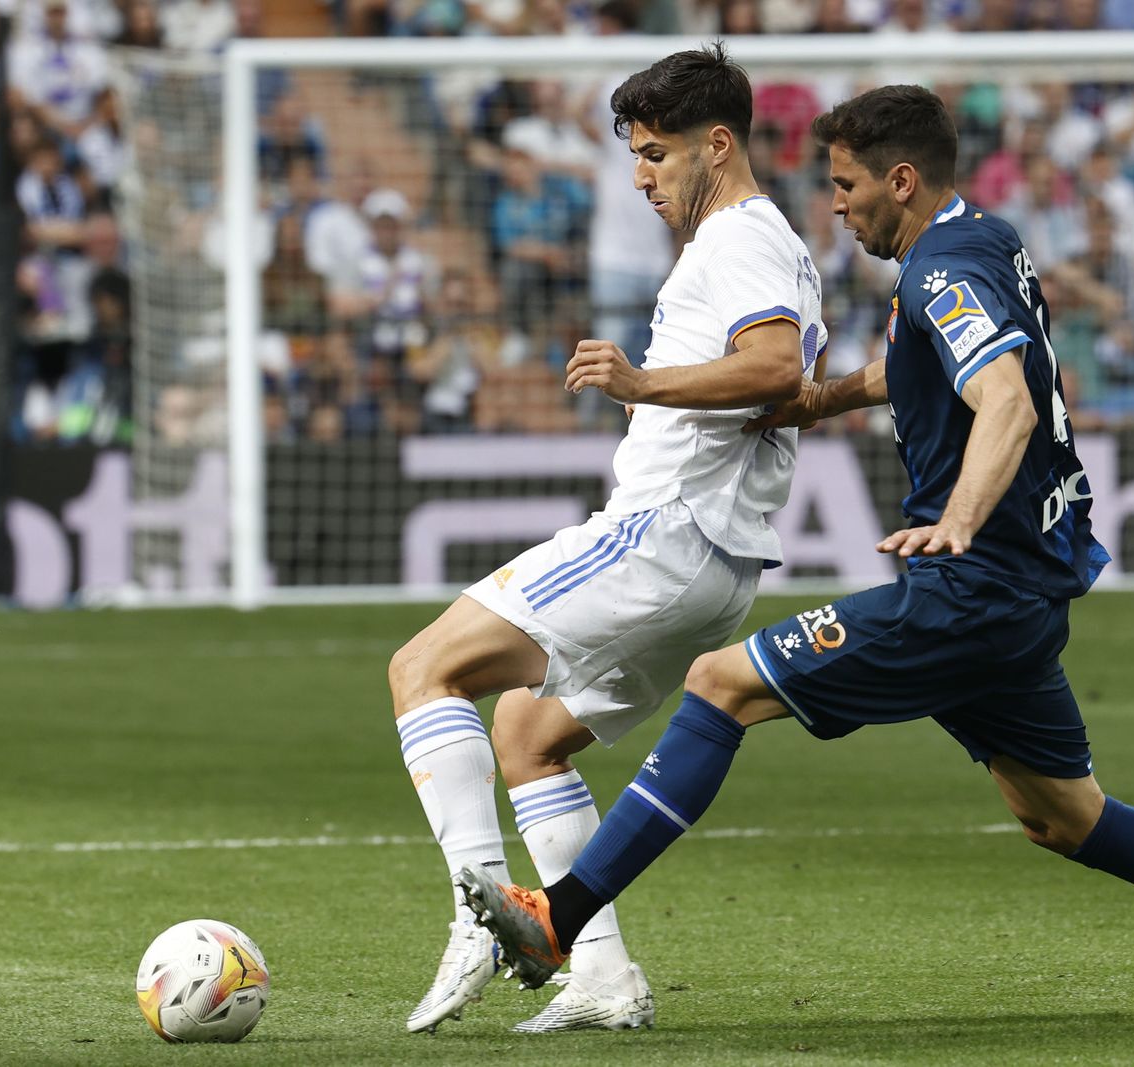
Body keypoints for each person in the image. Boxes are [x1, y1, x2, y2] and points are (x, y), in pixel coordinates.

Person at [462, 85, 1134, 1031]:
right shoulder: (989, 241)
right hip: (1019, 597)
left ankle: (558, 919)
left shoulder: (938, 275)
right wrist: (824, 400)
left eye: (848, 184)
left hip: (969, 589)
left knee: (719, 683)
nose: (837, 205)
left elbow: (1010, 400)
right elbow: (921, 358)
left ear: (901, 180)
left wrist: (961, 519)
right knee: (1066, 817)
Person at [388, 45, 827, 1036]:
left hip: (663, 532)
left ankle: (477, 909)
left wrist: (641, 383)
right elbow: (789, 385)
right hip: (716, 564)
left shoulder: (739, 243)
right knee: (527, 734)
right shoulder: (770, 243)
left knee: (422, 667)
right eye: (635, 156)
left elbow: (769, 363)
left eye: (656, 155)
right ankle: (602, 975)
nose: (640, 178)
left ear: (718, 145)